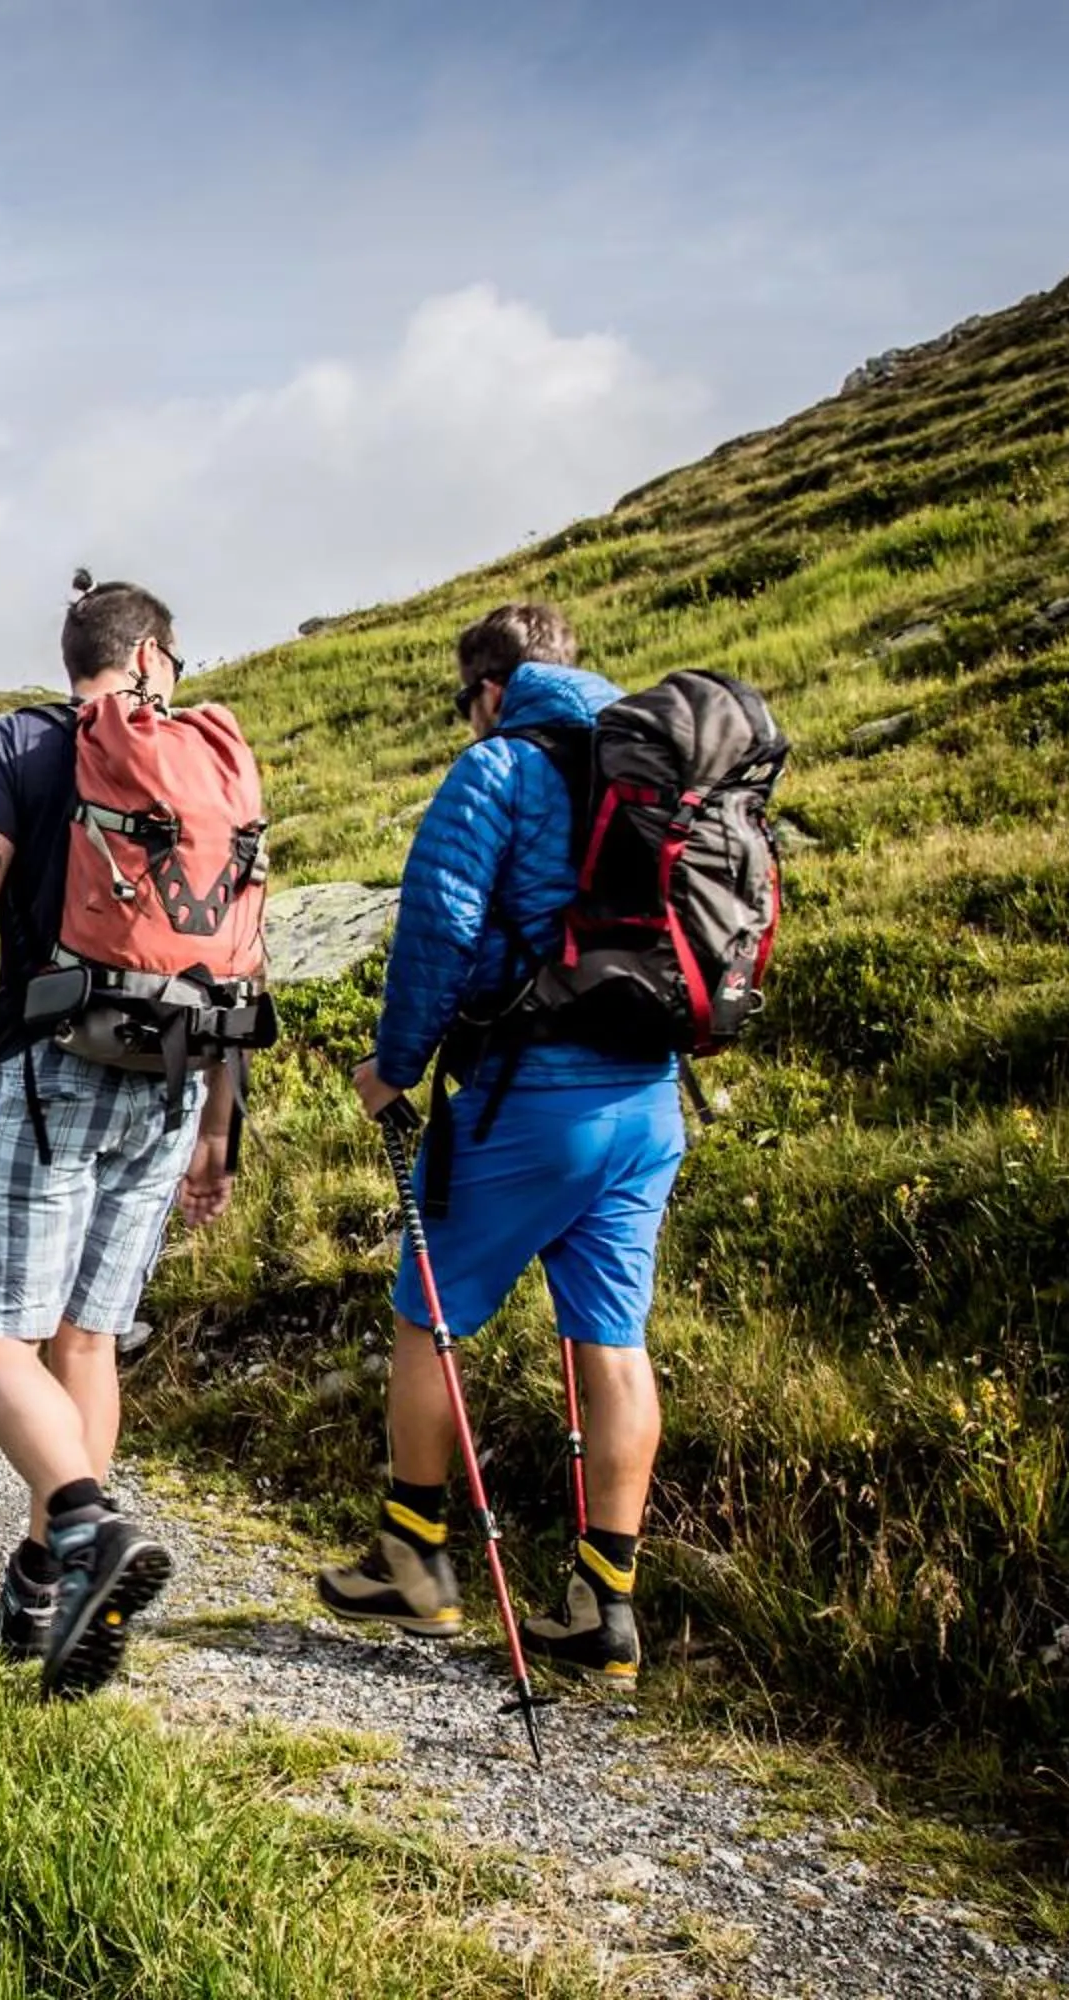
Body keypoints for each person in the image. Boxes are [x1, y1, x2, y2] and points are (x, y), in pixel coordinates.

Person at [321, 602, 680, 1687]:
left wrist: (394, 1063)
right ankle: (604, 1606)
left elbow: (439, 927)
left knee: (429, 1308)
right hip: (649, 1097)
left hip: (529, 1095)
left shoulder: (499, 770)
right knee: (611, 1337)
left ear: (488, 687)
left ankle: (414, 1555)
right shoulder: (655, 771)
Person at [0, 575, 242, 1699]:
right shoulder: (207, 758)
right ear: (153, 653)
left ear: (75, 656)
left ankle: (84, 1527)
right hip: (169, 1080)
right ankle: (44, 1588)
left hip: (48, 1065)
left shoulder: (17, 743)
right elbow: (233, 953)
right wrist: (219, 1119)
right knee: (88, 1338)